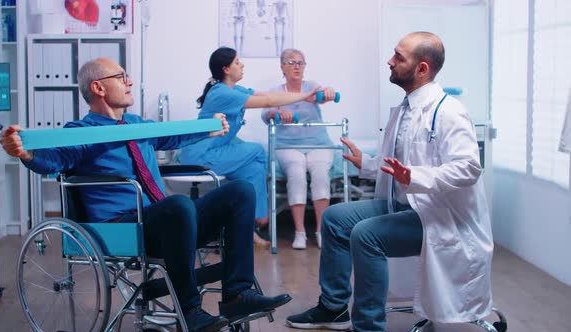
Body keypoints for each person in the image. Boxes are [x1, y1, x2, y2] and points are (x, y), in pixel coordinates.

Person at [0, 58, 292, 332]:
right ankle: (190, 311)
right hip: (124, 228)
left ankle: (238, 295)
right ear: (98, 87)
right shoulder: (80, 132)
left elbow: (173, 135)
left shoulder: (138, 124)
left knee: (241, 191)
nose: (129, 82)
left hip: (168, 223)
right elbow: (53, 160)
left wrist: (208, 128)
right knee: (177, 205)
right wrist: (25, 152)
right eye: (121, 77)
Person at [286, 32, 493, 331]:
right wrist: (367, 164)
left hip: (442, 217)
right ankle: (333, 308)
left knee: (367, 235)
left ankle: (368, 326)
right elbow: (397, 164)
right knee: (334, 218)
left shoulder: (449, 112)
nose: (390, 61)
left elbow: (469, 168)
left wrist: (416, 176)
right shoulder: (406, 109)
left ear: (422, 69)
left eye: (399, 57)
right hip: (407, 204)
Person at [180, 47, 325, 248]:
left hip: (214, 152)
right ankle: (260, 216)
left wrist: (303, 95)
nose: (242, 65)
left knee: (254, 169)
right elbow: (268, 101)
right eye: (237, 62)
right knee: (258, 151)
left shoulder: (233, 89)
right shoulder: (221, 92)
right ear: (226, 69)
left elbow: (266, 94)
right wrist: (303, 96)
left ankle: (248, 229)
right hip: (200, 155)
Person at [261, 48, 337, 250]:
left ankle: (321, 231)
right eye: (292, 63)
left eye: (300, 63)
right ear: (282, 67)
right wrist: (276, 112)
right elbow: (265, 115)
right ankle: (300, 232)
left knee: (320, 174)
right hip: (288, 145)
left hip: (318, 143)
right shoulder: (276, 92)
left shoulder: (311, 87)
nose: (297, 66)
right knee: (296, 172)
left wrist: (327, 92)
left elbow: (321, 95)